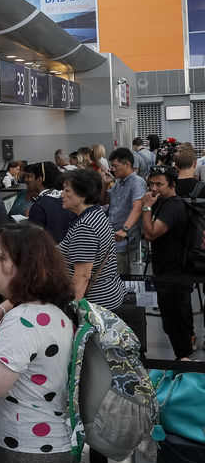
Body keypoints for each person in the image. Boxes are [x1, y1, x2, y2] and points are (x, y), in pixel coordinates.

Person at [0, 223, 75, 463]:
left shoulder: (24, 322)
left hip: (24, 451)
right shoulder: (46, 310)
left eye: (0, 257)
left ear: (27, 265)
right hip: (36, 444)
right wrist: (2, 306)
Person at [141, 166, 194, 360]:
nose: (153, 188)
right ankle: (184, 357)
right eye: (151, 183)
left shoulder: (173, 206)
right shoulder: (162, 203)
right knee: (172, 323)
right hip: (166, 273)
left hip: (175, 275)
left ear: (172, 185)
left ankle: (185, 366)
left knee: (176, 324)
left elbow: (150, 233)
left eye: (159, 184)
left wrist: (146, 206)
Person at [58, 169, 125, 310]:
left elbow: (82, 276)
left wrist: (72, 311)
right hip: (108, 294)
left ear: (82, 195)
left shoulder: (85, 227)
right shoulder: (96, 212)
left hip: (94, 305)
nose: (61, 195)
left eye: (66, 190)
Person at [108, 147, 147, 278]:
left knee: (122, 278)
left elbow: (137, 207)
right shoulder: (118, 183)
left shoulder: (137, 182)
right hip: (113, 239)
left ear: (127, 164)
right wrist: (104, 185)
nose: (113, 169)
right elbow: (103, 201)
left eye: (115, 166)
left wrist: (125, 229)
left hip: (125, 240)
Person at [24, 161, 74, 243]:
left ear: (40, 179)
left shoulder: (39, 207)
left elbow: (34, 242)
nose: (26, 180)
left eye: (30, 176)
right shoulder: (67, 199)